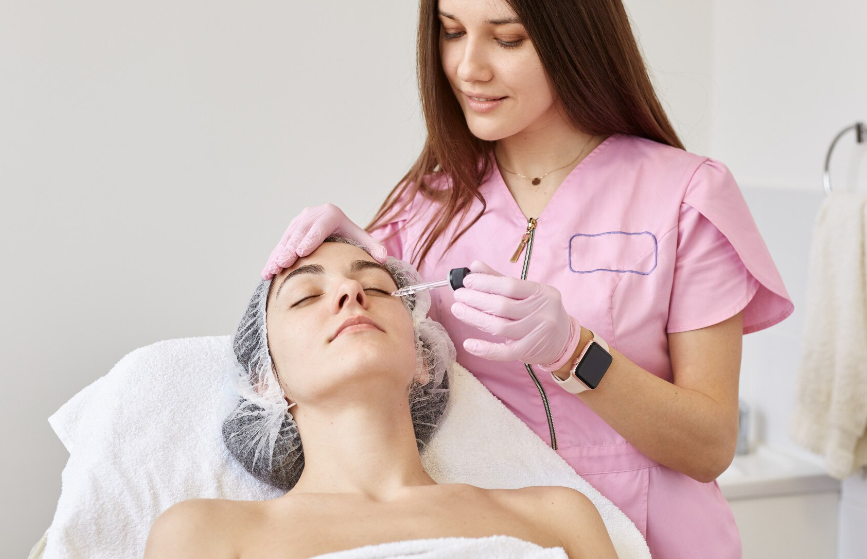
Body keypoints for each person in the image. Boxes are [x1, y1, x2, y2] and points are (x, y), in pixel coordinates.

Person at [260, 0, 795, 557]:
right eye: (451, 31)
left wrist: (577, 354)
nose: (467, 67)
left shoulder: (685, 196)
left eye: (507, 37)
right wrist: (352, 257)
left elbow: (710, 444)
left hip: (664, 542)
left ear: (574, 34)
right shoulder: (424, 206)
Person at [144, 236, 618, 559]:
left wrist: (576, 350)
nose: (351, 290)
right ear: (266, 380)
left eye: (375, 286)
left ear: (424, 361)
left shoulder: (558, 515)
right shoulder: (204, 535)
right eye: (307, 296)